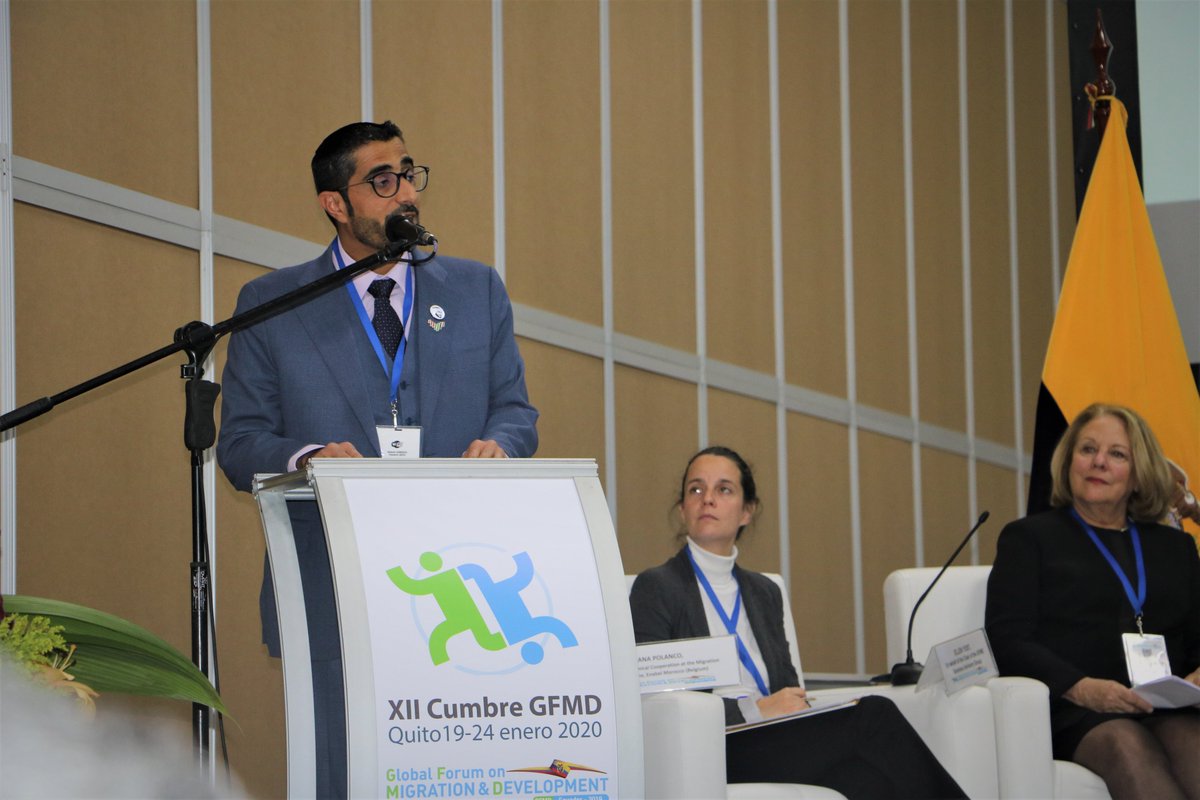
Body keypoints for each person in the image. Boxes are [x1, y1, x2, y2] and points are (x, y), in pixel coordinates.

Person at [216, 120, 538, 798]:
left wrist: (500, 445)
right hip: (332, 586)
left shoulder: (476, 290)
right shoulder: (272, 304)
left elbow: (515, 411)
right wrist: (310, 457)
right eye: (382, 180)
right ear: (335, 203)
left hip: (464, 590)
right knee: (342, 774)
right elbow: (241, 443)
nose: (406, 194)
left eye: (408, 174)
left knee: (458, 777)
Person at [629, 446, 967, 799]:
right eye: (696, 489)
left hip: (776, 734)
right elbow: (655, 693)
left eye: (723, 489)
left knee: (865, 779)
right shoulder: (657, 587)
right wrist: (753, 709)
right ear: (682, 509)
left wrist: (781, 708)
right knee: (874, 715)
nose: (707, 499)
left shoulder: (764, 592)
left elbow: (787, 687)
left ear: (747, 511)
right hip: (716, 743)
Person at [985, 403, 1200, 799]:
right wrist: (1081, 687)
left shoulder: (1176, 548)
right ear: (1069, 461)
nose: (1098, 462)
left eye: (1116, 454)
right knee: (1126, 746)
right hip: (1077, 708)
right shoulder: (1029, 538)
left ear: (1138, 474)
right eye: (1087, 449)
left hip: (1163, 705)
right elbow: (1007, 638)